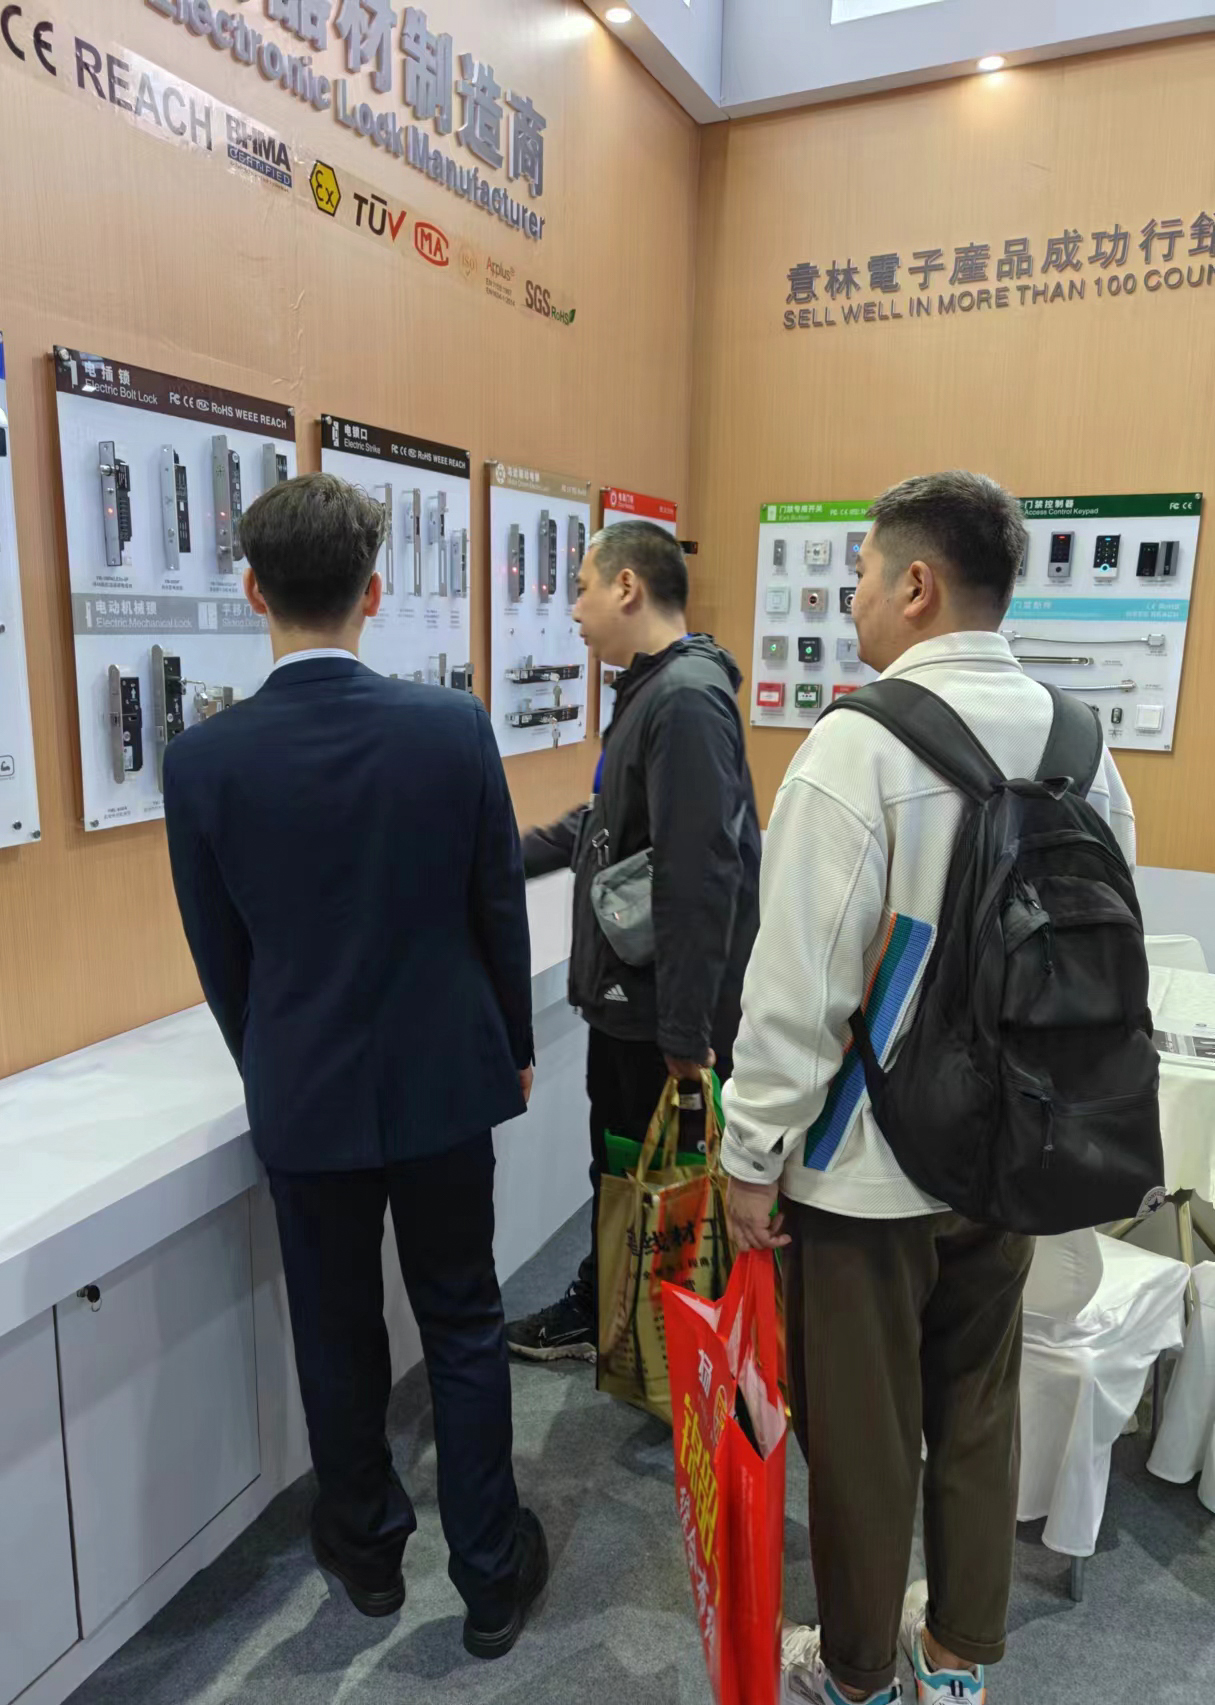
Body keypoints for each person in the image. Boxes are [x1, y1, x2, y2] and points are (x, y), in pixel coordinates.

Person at [721, 472, 1136, 1705]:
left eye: (858, 573)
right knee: (977, 1404)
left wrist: (750, 1157)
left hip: (868, 1163)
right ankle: (955, 1661)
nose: (847, 598)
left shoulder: (857, 744)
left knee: (861, 1430)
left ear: (915, 584)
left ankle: (854, 1673)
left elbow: (800, 985)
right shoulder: (1080, 745)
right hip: (1016, 1146)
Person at [162, 473, 548, 1660]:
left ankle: (368, 1557)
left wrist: (271, 1056)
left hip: (304, 1087)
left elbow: (221, 956)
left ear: (251, 591)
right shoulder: (451, 727)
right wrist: (512, 1046)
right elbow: (496, 904)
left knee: (335, 1334)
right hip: (446, 1079)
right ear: (375, 593)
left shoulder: (202, 759)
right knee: (464, 1320)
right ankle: (490, 1575)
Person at [507, 520, 761, 1362]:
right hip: (634, 1001)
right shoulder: (655, 692)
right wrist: (497, 856)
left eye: (580, 588)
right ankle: (616, 1315)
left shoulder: (683, 700)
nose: (572, 610)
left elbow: (699, 872)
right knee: (623, 1174)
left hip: (657, 1015)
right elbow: (606, 822)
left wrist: (685, 1033)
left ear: (626, 586)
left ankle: (670, 1354)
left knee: (662, 1187)